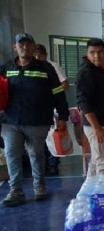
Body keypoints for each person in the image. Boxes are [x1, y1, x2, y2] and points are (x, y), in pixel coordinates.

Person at [0, 33, 69, 206]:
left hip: (37, 120)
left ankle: (39, 186)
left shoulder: (45, 68)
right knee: (12, 155)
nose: (25, 47)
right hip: (11, 121)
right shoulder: (6, 68)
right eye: (21, 44)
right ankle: (15, 190)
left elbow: (58, 92)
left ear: (33, 46)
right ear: (15, 47)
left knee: (36, 154)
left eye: (28, 44)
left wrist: (63, 116)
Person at [76, 38, 104, 176]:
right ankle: (103, 195)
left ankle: (90, 194)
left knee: (97, 161)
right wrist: (97, 128)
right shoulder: (87, 72)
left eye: (100, 52)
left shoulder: (102, 71)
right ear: (87, 54)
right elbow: (84, 102)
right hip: (98, 125)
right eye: (92, 52)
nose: (96, 56)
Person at [34, 43, 68, 175]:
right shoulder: (30, 67)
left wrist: (52, 93)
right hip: (37, 110)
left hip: (52, 108)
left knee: (53, 137)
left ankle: (53, 164)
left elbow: (64, 84)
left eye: (40, 55)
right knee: (40, 138)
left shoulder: (52, 66)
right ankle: (44, 165)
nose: (37, 57)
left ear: (45, 55)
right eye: (35, 54)